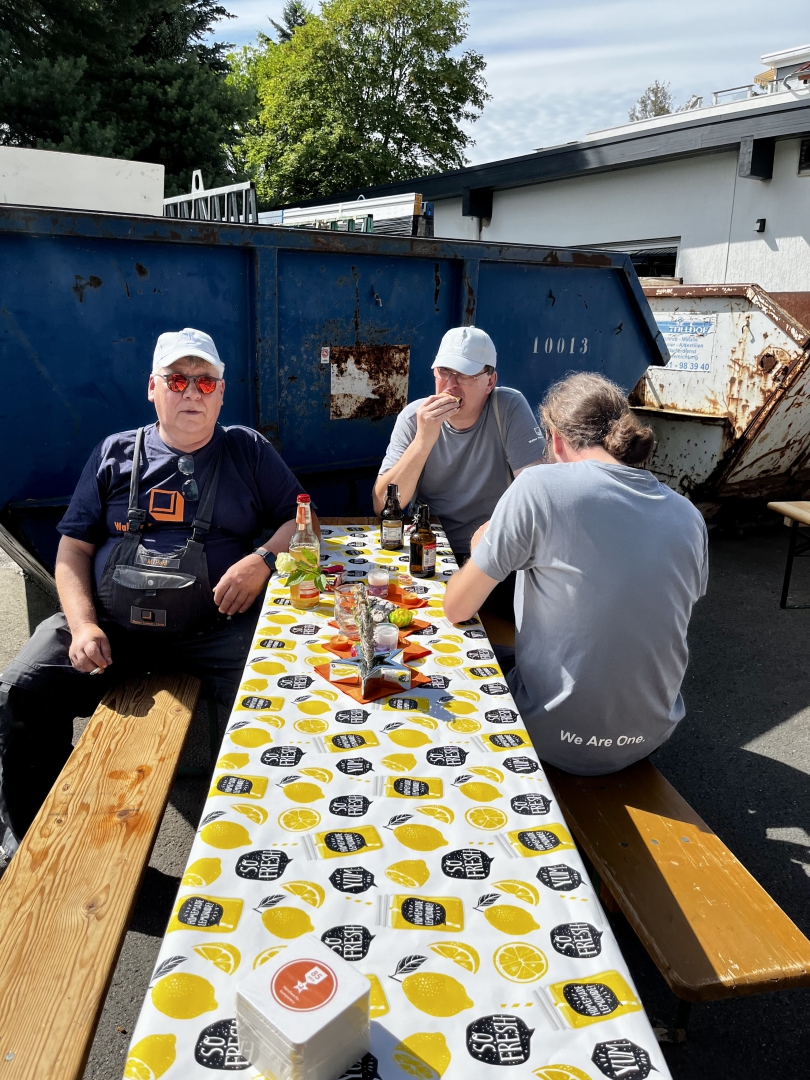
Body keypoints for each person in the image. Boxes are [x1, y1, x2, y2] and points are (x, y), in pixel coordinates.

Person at [0, 328, 315, 872]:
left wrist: (262, 559)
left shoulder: (247, 450)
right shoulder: (114, 452)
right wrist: (83, 626)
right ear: (153, 388)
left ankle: (267, 851)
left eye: (205, 381)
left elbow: (303, 519)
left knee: (281, 697)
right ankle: (30, 844)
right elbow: (73, 550)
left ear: (221, 392)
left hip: (217, 632)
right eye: (176, 379)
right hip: (113, 630)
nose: (191, 391)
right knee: (20, 688)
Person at [444, 372, 708, 775]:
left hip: (552, 736)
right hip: (649, 734)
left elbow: (457, 607)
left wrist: (482, 547)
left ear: (556, 440)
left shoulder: (539, 486)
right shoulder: (688, 515)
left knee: (461, 652)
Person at [373, 326, 545, 564]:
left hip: (492, 549)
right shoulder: (414, 418)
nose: (450, 384)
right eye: (444, 371)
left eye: (464, 374)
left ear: (490, 382)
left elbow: (537, 494)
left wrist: (490, 543)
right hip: (430, 550)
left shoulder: (508, 408)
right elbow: (382, 504)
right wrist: (422, 442)